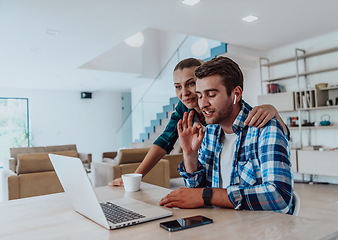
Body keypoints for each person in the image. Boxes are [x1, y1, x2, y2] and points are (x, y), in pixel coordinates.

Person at [109, 58, 289, 187]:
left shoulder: (232, 112)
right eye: (178, 87)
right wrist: (136, 176)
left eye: (191, 84)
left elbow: (265, 129)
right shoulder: (185, 111)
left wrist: (274, 113)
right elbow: (165, 141)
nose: (184, 93)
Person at [159, 56, 293, 214]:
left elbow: (279, 197)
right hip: (219, 223)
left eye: (211, 95)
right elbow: (195, 193)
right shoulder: (210, 133)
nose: (203, 104)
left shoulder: (265, 128)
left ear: (236, 93)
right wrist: (189, 155)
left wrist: (207, 196)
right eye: (200, 95)